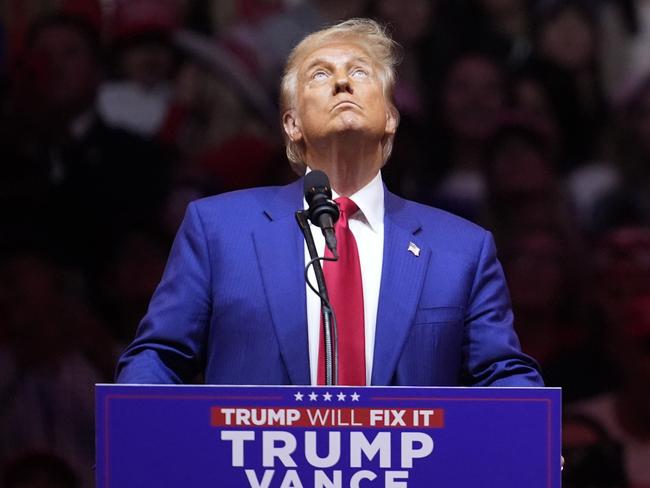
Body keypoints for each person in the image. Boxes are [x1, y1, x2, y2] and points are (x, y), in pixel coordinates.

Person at [116, 19, 543, 388]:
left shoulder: (462, 250)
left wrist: (534, 435)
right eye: (320, 75)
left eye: (360, 72)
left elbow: (502, 374)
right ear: (292, 124)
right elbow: (159, 356)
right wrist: (133, 428)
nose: (342, 82)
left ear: (391, 117)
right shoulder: (218, 229)